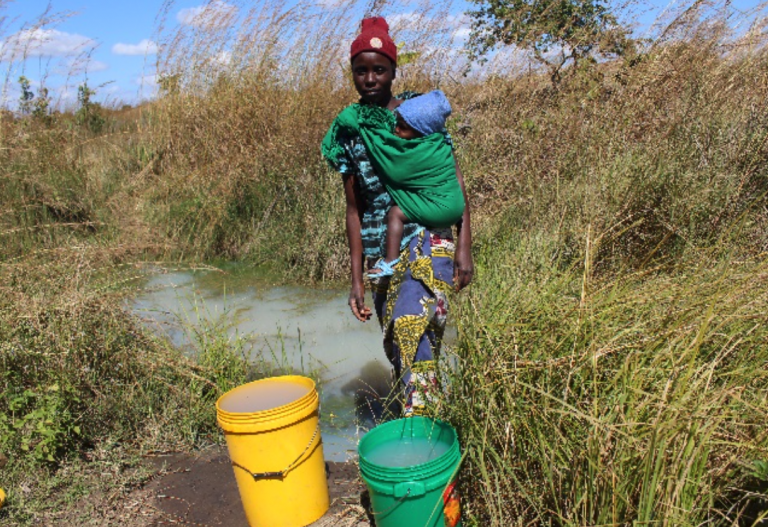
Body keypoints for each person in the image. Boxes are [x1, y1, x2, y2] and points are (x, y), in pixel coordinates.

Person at [322, 16, 473, 417]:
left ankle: (423, 437)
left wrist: (464, 245)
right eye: (361, 70)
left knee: (413, 330)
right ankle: (422, 426)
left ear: (393, 70)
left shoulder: (417, 114)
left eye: (379, 69)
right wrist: (357, 279)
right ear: (352, 73)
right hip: (381, 254)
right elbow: (353, 209)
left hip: (428, 236)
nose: (369, 79)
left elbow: (451, 179)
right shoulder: (349, 130)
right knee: (396, 345)